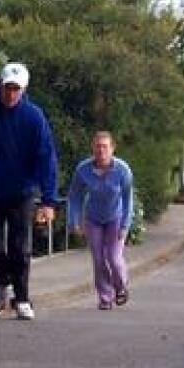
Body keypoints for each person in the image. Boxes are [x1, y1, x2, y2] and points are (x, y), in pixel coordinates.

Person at [0, 63, 58, 321]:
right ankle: (1, 278)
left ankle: (22, 298)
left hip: (22, 192)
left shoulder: (33, 118)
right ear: (0, 86)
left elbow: (46, 158)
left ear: (23, 90)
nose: (10, 94)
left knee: (20, 248)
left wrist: (49, 200)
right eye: (7, 88)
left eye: (16, 89)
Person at [68, 131, 134, 310]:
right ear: (93, 148)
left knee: (113, 257)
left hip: (116, 218)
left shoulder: (122, 170)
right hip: (93, 219)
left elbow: (128, 199)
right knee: (98, 259)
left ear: (112, 149)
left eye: (105, 146)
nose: (101, 150)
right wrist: (74, 221)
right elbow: (75, 196)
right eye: (98, 146)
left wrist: (126, 225)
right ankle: (105, 297)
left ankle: (121, 286)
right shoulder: (83, 169)